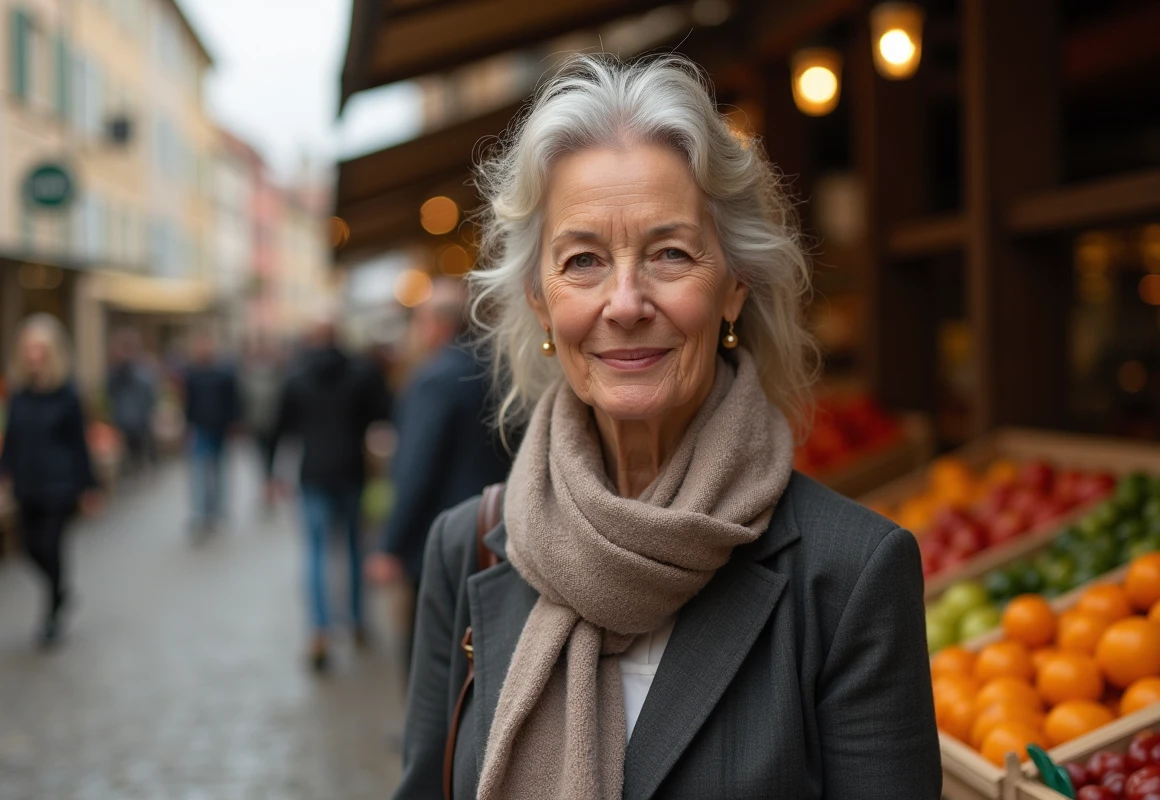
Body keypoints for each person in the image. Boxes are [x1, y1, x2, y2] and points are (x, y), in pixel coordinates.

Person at [395, 55, 941, 800]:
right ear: (540, 301)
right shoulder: (468, 550)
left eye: (670, 254)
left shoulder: (850, 575)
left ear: (734, 287)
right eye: (583, 260)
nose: (625, 303)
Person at [366, 279, 510, 671]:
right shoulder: (499, 368)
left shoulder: (434, 379)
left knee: (430, 653)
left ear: (437, 325)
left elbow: (416, 468)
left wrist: (391, 545)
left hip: (442, 534)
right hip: (495, 527)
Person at [271, 315, 391, 671]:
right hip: (353, 472)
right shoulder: (361, 372)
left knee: (316, 552)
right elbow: (383, 416)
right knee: (354, 548)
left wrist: (270, 474)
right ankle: (356, 620)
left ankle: (319, 629)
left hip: (313, 474)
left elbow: (280, 427)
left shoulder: (295, 376)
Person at [0, 314, 100, 646]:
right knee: (27, 548)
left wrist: (89, 487)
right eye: (29, 349)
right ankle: (61, 590)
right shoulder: (18, 394)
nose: (34, 355)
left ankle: (51, 617)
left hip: (59, 485)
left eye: (40, 349)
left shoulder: (67, 394)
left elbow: (79, 444)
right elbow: (8, 441)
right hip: (27, 483)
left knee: (51, 545)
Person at [183, 330, 238, 534]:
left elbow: (233, 401)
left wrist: (232, 424)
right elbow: (188, 403)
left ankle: (218, 512)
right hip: (200, 429)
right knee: (199, 473)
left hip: (220, 429)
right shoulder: (192, 373)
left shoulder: (224, 373)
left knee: (218, 471)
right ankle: (200, 514)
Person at [237, 333, 285, 506]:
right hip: (256, 423)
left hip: (274, 423)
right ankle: (267, 487)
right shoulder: (248, 372)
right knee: (262, 458)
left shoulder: (277, 371)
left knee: (271, 458)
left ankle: (269, 488)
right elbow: (243, 398)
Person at [105, 327, 156, 475]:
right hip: (122, 422)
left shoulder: (141, 370)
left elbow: (148, 395)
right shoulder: (116, 372)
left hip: (138, 423)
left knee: (137, 458)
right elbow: (110, 392)